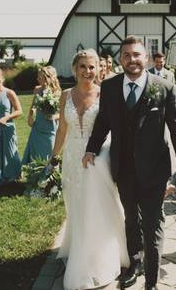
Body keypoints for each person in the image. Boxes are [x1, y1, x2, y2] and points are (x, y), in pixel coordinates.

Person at [84, 37, 176, 290]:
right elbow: (103, 122)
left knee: (153, 224)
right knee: (131, 219)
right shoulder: (109, 87)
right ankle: (135, 263)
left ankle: (152, 282)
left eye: (137, 55)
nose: (132, 59)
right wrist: (91, 148)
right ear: (120, 59)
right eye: (127, 55)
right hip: (123, 168)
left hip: (155, 170)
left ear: (146, 58)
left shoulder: (164, 88)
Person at [50, 49, 129, 290]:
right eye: (82, 66)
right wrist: (54, 157)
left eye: (92, 67)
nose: (87, 71)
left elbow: (116, 128)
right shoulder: (65, 95)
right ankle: (78, 248)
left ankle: (98, 258)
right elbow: (62, 130)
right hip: (73, 156)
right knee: (76, 204)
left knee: (97, 204)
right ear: (75, 68)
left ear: (99, 69)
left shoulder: (106, 93)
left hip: (98, 156)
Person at [22, 66, 61, 164]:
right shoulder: (37, 90)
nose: (37, 79)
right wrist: (31, 116)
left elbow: (62, 114)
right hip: (38, 126)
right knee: (35, 154)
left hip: (50, 128)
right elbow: (33, 106)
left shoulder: (57, 92)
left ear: (47, 77)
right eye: (38, 77)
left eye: (40, 77)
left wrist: (53, 117)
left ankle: (48, 175)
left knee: (49, 153)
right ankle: (34, 175)